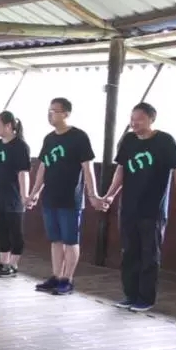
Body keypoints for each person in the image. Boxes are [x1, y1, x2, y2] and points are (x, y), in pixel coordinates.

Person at [102, 102, 176, 312]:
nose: (134, 123)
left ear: (151, 119)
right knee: (129, 252)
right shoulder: (128, 140)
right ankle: (130, 295)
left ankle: (145, 298)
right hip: (128, 208)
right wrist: (110, 195)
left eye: (139, 119)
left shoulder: (165, 141)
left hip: (152, 209)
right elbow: (121, 170)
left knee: (150, 254)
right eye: (132, 118)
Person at [27, 97, 103, 295]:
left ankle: (67, 279)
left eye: (54, 111)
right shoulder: (49, 139)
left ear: (66, 114)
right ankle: (56, 275)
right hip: (50, 197)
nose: (50, 114)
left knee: (70, 240)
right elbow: (43, 167)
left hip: (71, 198)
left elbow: (88, 168)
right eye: (49, 110)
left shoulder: (79, 137)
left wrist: (93, 194)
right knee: (55, 240)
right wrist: (35, 192)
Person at [0, 111, 31, 277]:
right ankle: (3, 262)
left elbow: (23, 173)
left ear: (8, 126)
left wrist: (24, 195)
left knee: (15, 231)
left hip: (13, 196)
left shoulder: (20, 146)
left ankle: (13, 264)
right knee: (2, 230)